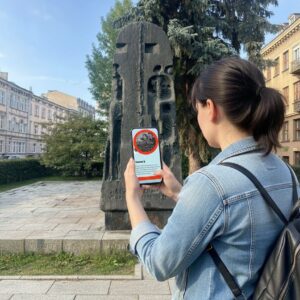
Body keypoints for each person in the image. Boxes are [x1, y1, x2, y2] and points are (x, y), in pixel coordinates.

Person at [124, 56, 297, 299]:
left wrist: (132, 198)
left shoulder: (211, 183)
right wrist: (178, 193)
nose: (198, 118)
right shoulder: (285, 170)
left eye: (197, 109)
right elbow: (237, 222)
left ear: (211, 108)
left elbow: (158, 263)